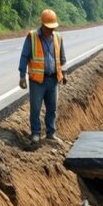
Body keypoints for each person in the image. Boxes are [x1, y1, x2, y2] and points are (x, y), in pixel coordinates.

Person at [18, 9, 68, 143]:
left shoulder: (58, 37)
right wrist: (22, 76)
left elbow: (62, 58)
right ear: (43, 25)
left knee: (52, 109)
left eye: (53, 28)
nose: (50, 30)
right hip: (37, 81)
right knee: (35, 108)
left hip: (53, 79)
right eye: (48, 28)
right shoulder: (32, 37)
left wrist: (64, 72)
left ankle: (51, 133)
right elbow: (24, 56)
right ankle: (35, 133)